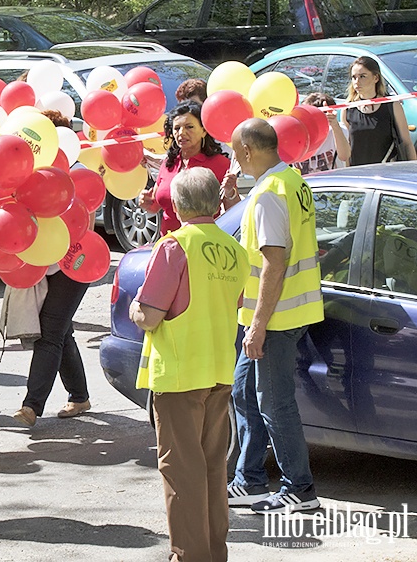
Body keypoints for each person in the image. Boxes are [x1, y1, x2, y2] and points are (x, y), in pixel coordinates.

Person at [130, 167, 248, 562]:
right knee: (214, 469)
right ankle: (214, 552)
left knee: (181, 473)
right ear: (217, 203)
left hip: (180, 374)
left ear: (177, 205)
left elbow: (149, 314)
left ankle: (188, 555)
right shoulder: (234, 248)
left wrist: (135, 308)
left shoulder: (173, 246)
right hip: (218, 368)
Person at [227, 118, 324, 514]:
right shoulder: (294, 181)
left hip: (276, 319)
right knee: (243, 393)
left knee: (274, 403)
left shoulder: (268, 193)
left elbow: (274, 263)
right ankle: (248, 480)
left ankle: (299, 489)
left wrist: (258, 326)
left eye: (235, 152)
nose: (234, 160)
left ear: (248, 150)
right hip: (286, 312)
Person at [12, 110, 94, 427]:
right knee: (62, 331)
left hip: (75, 260)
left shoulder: (78, 172)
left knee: (50, 331)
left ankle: (31, 405)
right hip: (44, 262)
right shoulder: (26, 174)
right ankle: (79, 396)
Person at [139, 102, 232, 236]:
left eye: (189, 127)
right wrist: (146, 202)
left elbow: (233, 210)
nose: (182, 133)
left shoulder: (220, 164)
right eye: (177, 128)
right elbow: (156, 206)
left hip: (204, 246)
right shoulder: (168, 163)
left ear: (204, 130)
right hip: (169, 245)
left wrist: (231, 194)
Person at [343, 56, 416, 165]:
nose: (357, 82)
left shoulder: (391, 105)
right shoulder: (348, 109)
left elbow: (406, 143)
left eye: (362, 76)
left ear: (376, 78)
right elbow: (346, 149)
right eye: (354, 77)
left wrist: (414, 170)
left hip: (386, 173)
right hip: (358, 175)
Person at [294, 92, 350, 174]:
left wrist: (334, 125)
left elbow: (344, 156)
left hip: (332, 184)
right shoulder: (295, 134)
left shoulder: (337, 130)